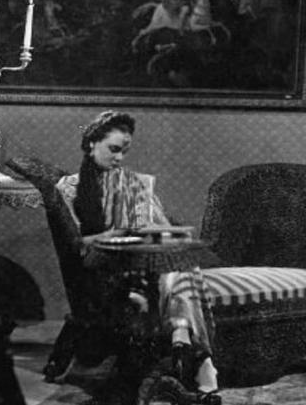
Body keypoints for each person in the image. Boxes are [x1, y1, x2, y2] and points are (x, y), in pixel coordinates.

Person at [54, 110, 219, 395]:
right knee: (175, 263)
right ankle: (197, 354)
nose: (119, 158)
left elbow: (162, 227)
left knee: (173, 258)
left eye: (124, 152)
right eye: (113, 149)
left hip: (144, 261)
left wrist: (152, 224)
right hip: (104, 269)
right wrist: (115, 234)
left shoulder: (132, 183)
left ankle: (185, 341)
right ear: (92, 143)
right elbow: (76, 244)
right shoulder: (70, 187)